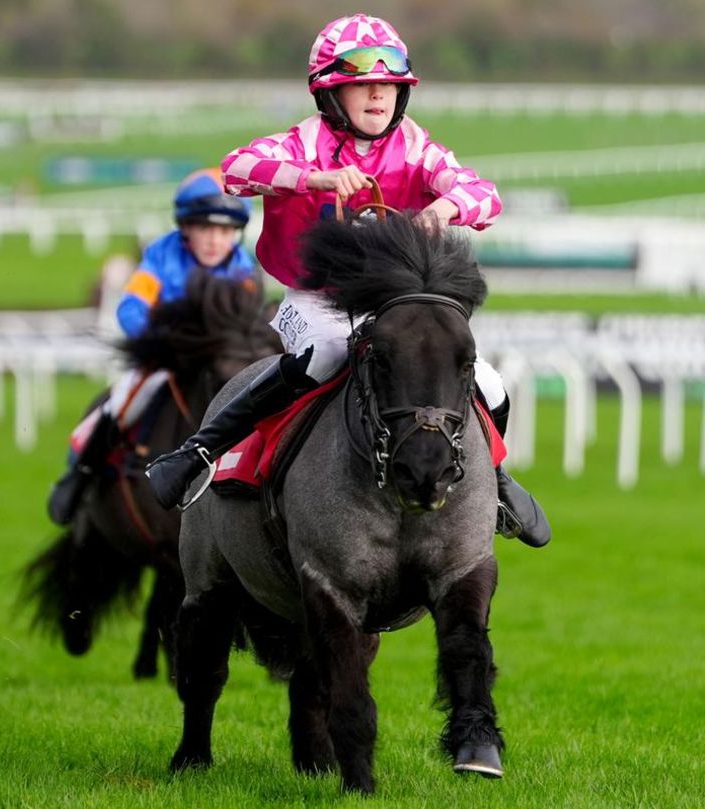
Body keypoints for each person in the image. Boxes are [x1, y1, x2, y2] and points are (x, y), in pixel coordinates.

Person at [143, 13, 550, 547]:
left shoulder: (416, 145)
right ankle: (200, 451)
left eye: (388, 85)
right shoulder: (301, 142)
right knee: (327, 355)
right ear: (331, 94)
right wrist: (314, 177)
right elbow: (238, 169)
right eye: (364, 85)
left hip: (392, 302)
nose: (379, 95)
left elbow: (484, 194)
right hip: (313, 299)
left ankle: (493, 480)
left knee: (489, 382)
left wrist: (446, 208)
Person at [44, 169, 256, 526]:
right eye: (205, 228)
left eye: (224, 230)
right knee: (124, 401)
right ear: (186, 228)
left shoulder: (242, 269)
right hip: (163, 360)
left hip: (218, 363)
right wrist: (158, 341)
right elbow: (131, 308)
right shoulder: (162, 255)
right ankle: (79, 474)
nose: (215, 240)